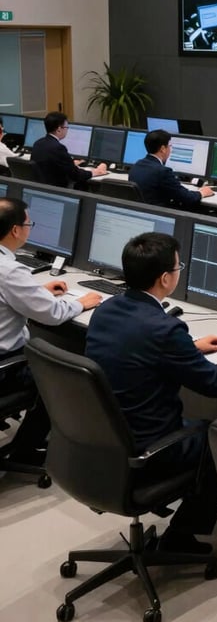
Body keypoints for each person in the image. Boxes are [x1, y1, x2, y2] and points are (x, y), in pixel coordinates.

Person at [86, 232, 217, 552]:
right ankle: (182, 538)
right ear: (166, 278)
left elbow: (136, 351)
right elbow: (215, 384)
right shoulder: (164, 328)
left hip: (104, 441)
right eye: (179, 268)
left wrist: (189, 349)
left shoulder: (107, 309)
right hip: (146, 447)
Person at [0, 197, 101, 465]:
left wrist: (35, 292)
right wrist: (80, 302)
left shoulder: (9, 273)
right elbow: (53, 315)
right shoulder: (9, 271)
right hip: (5, 367)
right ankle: (26, 449)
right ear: (15, 230)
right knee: (62, 379)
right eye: (28, 223)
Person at [128, 129, 213, 209]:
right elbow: (186, 197)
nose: (170, 149)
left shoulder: (137, 165)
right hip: (161, 215)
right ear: (163, 149)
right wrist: (202, 193)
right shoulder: (163, 172)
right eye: (169, 146)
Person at [30, 112, 107, 189]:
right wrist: (96, 172)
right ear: (59, 129)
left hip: (42, 188)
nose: (67, 130)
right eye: (66, 127)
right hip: (58, 189)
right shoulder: (58, 148)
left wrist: (70, 163)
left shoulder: (38, 143)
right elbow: (75, 175)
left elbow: (51, 163)